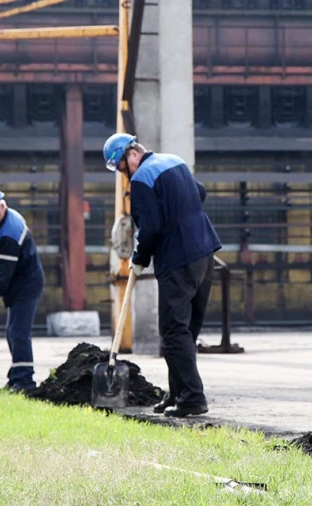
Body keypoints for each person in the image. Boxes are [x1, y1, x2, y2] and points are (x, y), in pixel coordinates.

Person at [102, 133, 221, 418]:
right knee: (184, 331)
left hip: (178, 260)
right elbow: (200, 192)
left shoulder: (141, 179)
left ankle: (192, 398)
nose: (122, 173)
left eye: (120, 166)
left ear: (132, 154)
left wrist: (139, 258)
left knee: (172, 331)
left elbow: (150, 228)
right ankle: (176, 394)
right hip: (204, 254)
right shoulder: (175, 161)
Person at [0, 184, 44, 394]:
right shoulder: (4, 222)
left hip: (26, 286)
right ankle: (16, 377)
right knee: (12, 332)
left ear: (0, 206)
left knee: (18, 333)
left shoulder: (9, 234)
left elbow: (3, 274)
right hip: (18, 286)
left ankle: (25, 382)